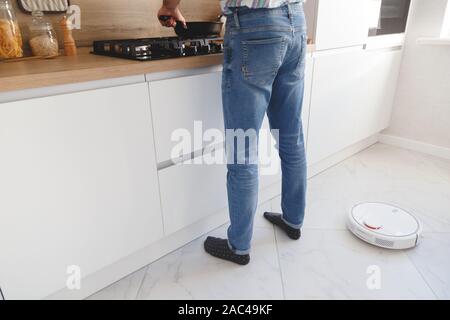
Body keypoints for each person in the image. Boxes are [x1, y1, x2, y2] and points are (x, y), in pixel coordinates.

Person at [158, 0, 307, 265]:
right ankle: (293, 220)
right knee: (291, 136)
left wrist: (169, 7)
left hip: (254, 25)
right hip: (295, 20)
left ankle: (238, 246)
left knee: (243, 147)